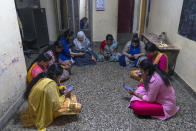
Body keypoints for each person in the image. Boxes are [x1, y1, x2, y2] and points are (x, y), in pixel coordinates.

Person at [21, 64, 82, 130]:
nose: (60, 77)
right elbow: (56, 105)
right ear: (55, 75)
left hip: (34, 106)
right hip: (41, 111)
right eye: (60, 76)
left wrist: (59, 91)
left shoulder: (44, 76)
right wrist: (64, 96)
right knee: (77, 106)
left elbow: (49, 94)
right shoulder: (50, 85)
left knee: (66, 92)